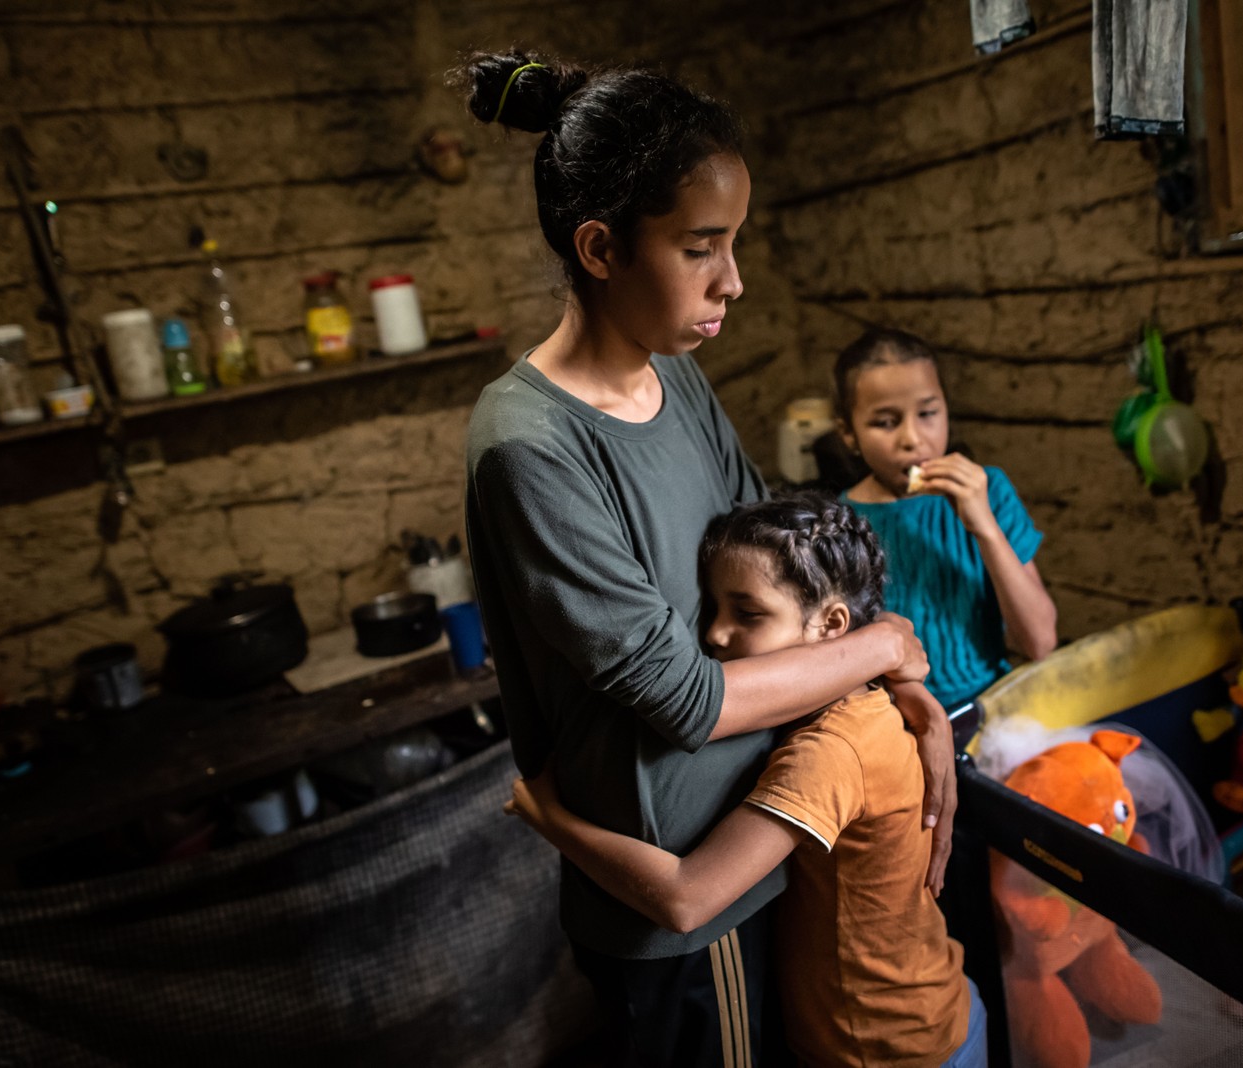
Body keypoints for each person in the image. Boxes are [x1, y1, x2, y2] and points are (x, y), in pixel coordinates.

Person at [455, 53, 956, 1067]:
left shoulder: (671, 377)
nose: (733, 279)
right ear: (601, 247)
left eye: (732, 242)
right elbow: (685, 698)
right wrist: (888, 646)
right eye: (700, 248)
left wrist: (909, 693)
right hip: (682, 893)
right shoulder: (532, 448)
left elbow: (777, 561)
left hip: (752, 839)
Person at [506, 493, 988, 1068]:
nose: (714, 634)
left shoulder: (831, 751)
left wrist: (550, 818)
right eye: (712, 608)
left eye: (748, 613)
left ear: (833, 626)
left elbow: (687, 898)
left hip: (887, 1047)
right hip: (929, 1010)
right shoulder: (864, 699)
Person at [835, 328, 1057, 711]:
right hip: (889, 725)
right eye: (886, 422)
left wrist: (983, 525)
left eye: (927, 414)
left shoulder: (990, 492)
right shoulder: (838, 525)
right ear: (849, 433)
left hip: (988, 708)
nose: (913, 438)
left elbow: (1040, 642)